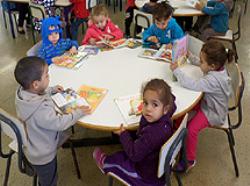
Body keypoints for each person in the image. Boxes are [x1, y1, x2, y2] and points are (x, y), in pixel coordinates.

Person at [14, 56, 91, 186]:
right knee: (49, 182)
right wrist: (79, 112)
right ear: (36, 84)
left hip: (34, 140)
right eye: (47, 76)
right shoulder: (40, 111)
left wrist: (51, 90)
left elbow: (37, 93)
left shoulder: (23, 93)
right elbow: (59, 123)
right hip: (43, 154)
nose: (49, 77)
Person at [93, 79, 177, 185]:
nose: (148, 109)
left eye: (154, 104)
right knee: (124, 151)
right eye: (145, 102)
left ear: (165, 108)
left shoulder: (151, 135)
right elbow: (172, 103)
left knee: (119, 159)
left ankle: (105, 164)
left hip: (145, 176)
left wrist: (123, 135)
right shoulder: (167, 113)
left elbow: (134, 155)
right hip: (159, 165)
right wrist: (167, 97)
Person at [170, 40, 233, 172]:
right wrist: (190, 56)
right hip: (209, 103)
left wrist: (177, 71)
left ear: (212, 66)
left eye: (202, 61)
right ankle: (177, 135)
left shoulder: (213, 80)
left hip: (213, 112)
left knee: (192, 129)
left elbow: (193, 85)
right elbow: (202, 65)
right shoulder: (218, 68)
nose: (200, 62)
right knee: (186, 111)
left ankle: (190, 161)